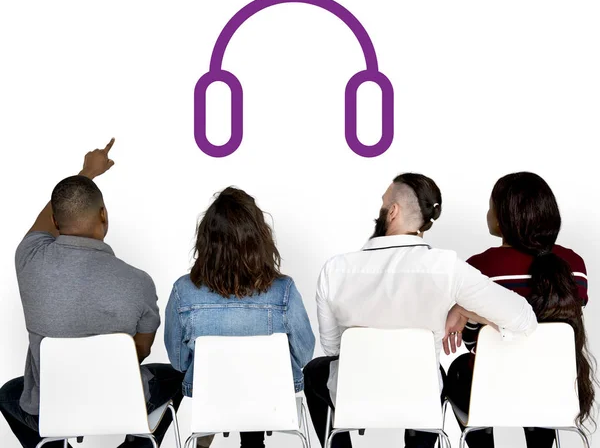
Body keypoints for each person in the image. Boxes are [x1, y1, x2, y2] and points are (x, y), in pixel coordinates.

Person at [304, 173, 539, 448]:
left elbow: (332, 347)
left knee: (315, 371)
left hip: (351, 393)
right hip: (420, 396)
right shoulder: (446, 267)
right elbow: (523, 318)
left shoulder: (335, 269)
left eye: (383, 204)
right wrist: (464, 309)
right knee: (433, 373)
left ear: (392, 211)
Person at [0, 139, 183, 448]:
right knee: (174, 377)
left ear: (57, 224)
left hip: (54, 405)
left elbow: (46, 219)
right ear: (104, 216)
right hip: (120, 400)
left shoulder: (28, 259)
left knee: (9, 394)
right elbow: (141, 351)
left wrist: (88, 171)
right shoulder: (139, 282)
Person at [444, 172, 596, 448]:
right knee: (540, 370)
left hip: (492, 390)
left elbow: (471, 340)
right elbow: (563, 330)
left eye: (491, 206)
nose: (488, 212)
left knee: (458, 370)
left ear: (504, 217)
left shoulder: (477, 269)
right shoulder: (575, 266)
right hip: (555, 391)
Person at [164, 187, 315, 448]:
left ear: (206, 241)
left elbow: (178, 361)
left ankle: (205, 436)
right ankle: (253, 440)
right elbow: (304, 354)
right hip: (270, 398)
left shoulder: (183, 292)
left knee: (219, 391)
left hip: (210, 398)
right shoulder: (284, 291)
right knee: (255, 389)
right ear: (259, 238)